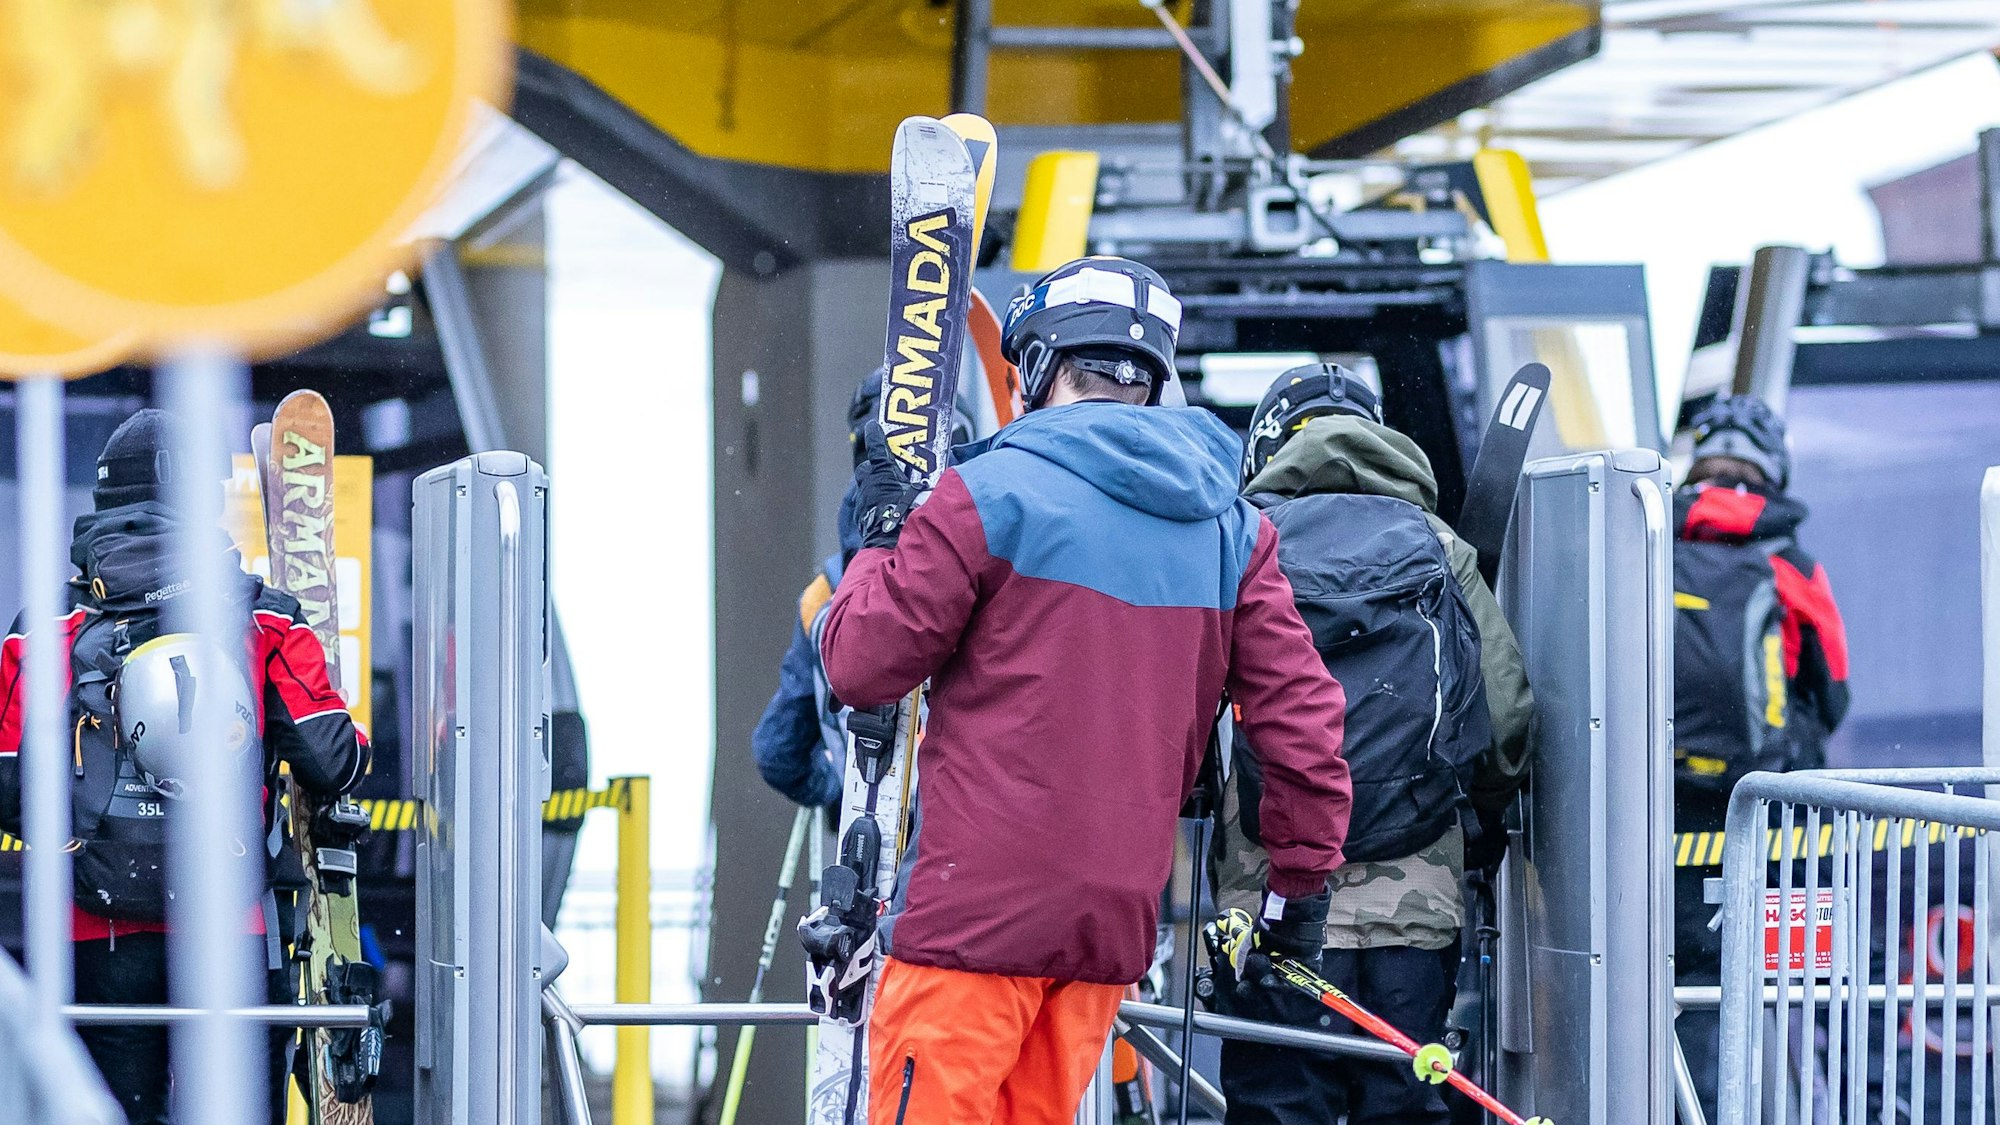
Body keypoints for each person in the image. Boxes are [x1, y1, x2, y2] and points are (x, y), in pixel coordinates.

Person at [819, 256, 1353, 1125]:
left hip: (970, 922)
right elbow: (1303, 729)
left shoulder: (983, 495)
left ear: (1035, 368)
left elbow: (859, 662)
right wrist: (1298, 894)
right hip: (1106, 932)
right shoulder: (1233, 529)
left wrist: (881, 534)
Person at [0, 408, 370, 1125]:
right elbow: (333, 759)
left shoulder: (44, 630)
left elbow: (7, 785)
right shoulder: (264, 619)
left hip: (91, 938)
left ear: (104, 502)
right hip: (227, 931)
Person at [1207, 365, 1534, 1125]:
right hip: (1413, 905)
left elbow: (1184, 708)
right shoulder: (1439, 545)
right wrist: (1474, 824)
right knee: (1402, 1103)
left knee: (1280, 1105)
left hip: (1272, 904)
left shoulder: (1242, 544)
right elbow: (1509, 715)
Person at [1669, 394, 1849, 1121]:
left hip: (1666, 816)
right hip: (1775, 822)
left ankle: (1680, 1107)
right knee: (1794, 983)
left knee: (1676, 984)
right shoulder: (1789, 560)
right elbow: (1833, 693)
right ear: (1773, 463)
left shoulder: (1648, 539)